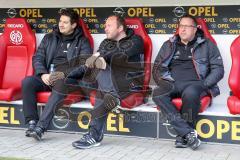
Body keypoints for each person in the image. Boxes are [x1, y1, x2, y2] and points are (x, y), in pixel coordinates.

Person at [70, 15, 144, 149]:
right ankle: (110, 98)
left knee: (102, 76)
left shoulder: (136, 40)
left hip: (129, 84)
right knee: (83, 77)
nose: (105, 29)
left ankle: (94, 135)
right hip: (108, 85)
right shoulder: (106, 43)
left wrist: (100, 56)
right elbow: (91, 63)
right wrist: (68, 75)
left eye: (109, 26)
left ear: (120, 28)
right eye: (105, 26)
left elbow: (119, 57)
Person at [152, 15, 224, 150]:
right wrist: (163, 81)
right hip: (172, 82)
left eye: (187, 26)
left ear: (195, 29)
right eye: (181, 26)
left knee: (190, 93)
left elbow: (218, 69)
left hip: (196, 83)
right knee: (157, 93)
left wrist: (205, 84)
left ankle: (182, 135)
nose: (182, 30)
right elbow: (156, 67)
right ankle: (187, 133)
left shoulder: (207, 45)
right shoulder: (169, 44)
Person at [22, 8, 92, 140]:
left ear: (74, 25)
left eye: (65, 22)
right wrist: (43, 74)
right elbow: (37, 58)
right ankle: (32, 122)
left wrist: (61, 74)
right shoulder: (49, 38)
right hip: (48, 76)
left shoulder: (82, 41)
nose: (61, 24)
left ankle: (41, 127)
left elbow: (84, 66)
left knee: (61, 82)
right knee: (28, 82)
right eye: (60, 21)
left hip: (68, 80)